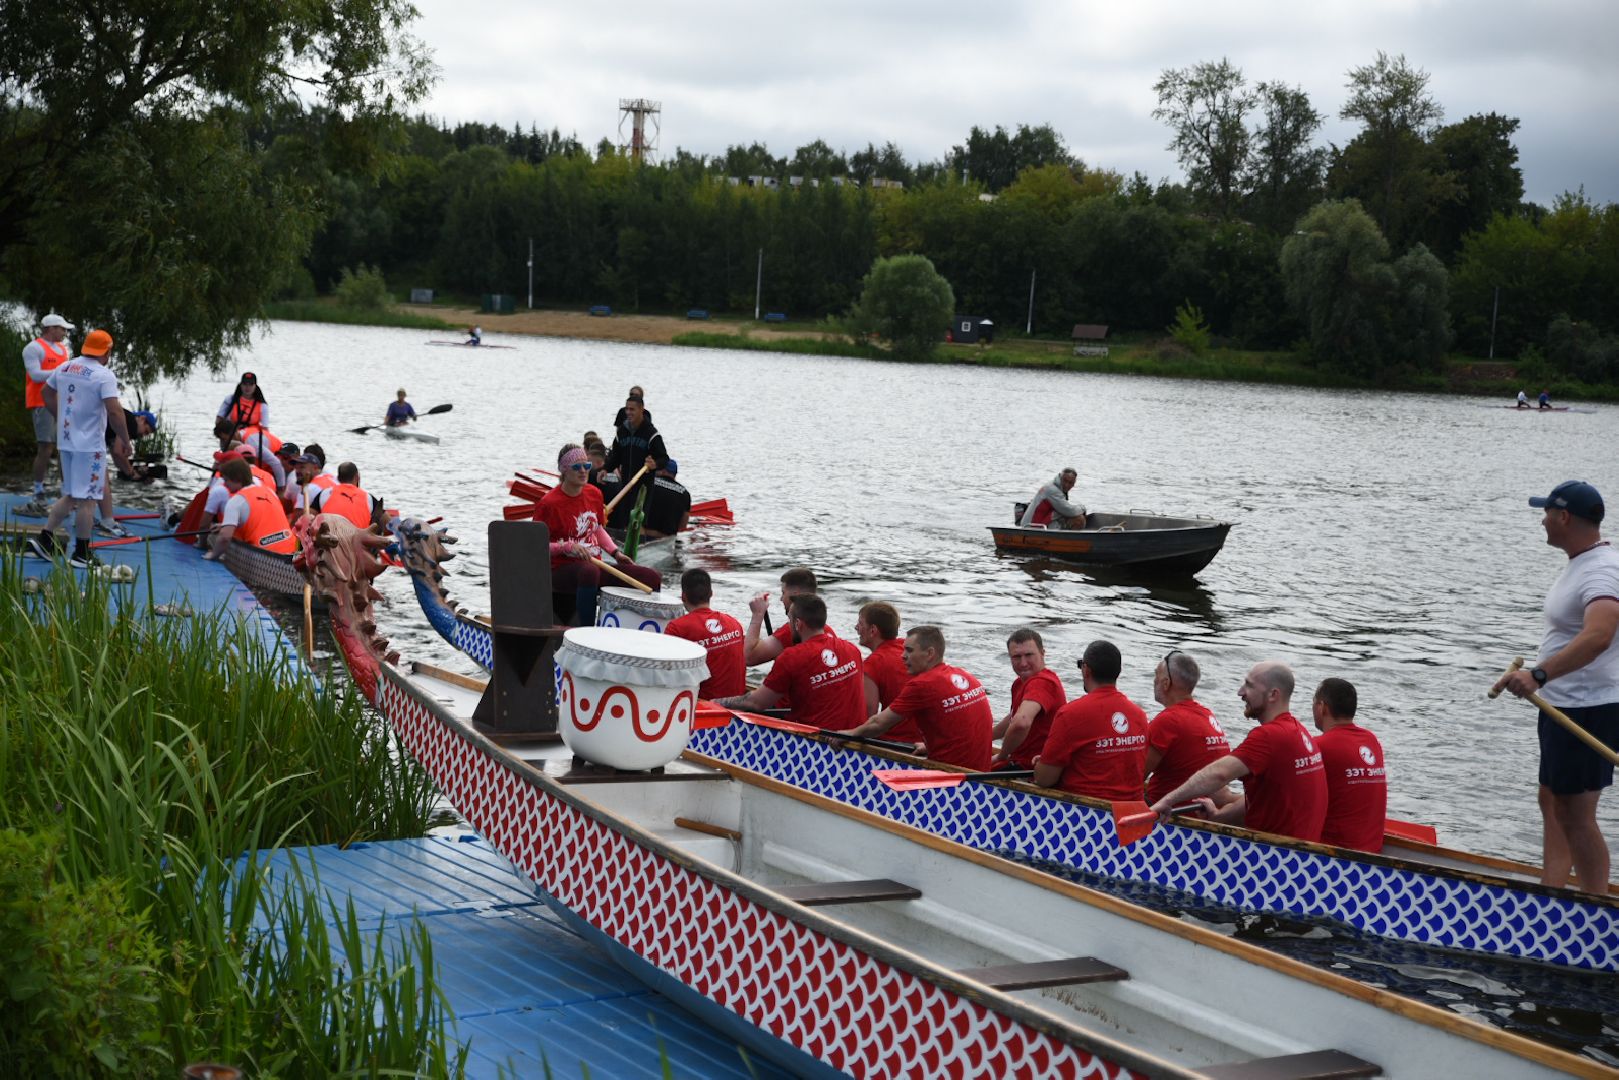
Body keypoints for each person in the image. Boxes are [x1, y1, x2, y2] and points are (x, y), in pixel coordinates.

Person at [1492, 480, 1619, 892]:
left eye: (1546, 512)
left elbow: (1600, 635)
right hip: (1563, 706)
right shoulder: (1582, 561)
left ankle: (1596, 910)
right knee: (1552, 800)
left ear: (1563, 517)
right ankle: (1552, 893)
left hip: (1588, 708)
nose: (1542, 521)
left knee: (1576, 814)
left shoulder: (1603, 570)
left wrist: (1539, 674)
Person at [1147, 662, 1328, 843]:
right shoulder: (1299, 731)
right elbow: (1255, 800)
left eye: (1249, 685)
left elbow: (1218, 774)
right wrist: (1219, 817)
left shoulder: (1269, 736)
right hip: (1299, 854)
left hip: (1275, 857)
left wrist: (1167, 801)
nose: (1240, 692)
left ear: (1273, 695)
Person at [27, 330, 130, 568]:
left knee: (73, 494)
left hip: (67, 441)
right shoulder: (104, 375)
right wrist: (125, 439)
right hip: (90, 446)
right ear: (107, 351)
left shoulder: (65, 367)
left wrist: (60, 414)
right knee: (88, 499)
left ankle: (45, 539)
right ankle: (82, 554)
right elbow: (114, 412)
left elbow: (45, 393)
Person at [533, 444, 660, 624]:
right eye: (577, 467)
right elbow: (535, 548)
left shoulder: (594, 493)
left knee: (651, 577)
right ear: (564, 471)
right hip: (561, 570)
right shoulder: (548, 504)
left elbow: (597, 529)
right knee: (589, 571)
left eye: (587, 466)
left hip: (594, 565)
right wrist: (567, 546)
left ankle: (648, 634)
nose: (583, 471)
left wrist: (616, 553)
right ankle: (587, 633)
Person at [842, 625, 994, 769]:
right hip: (982, 769)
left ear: (929, 653)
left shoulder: (923, 684)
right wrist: (928, 746)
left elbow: (878, 724)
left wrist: (851, 733)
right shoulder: (965, 675)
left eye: (909, 651)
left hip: (954, 779)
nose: (903, 656)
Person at [713, 595, 866, 731]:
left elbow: (756, 703)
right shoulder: (852, 649)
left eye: (789, 620)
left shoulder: (791, 657)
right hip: (852, 736)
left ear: (798, 624)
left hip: (813, 744)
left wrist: (717, 702)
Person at [1032, 640, 1148, 800]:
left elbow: (1044, 779)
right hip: (1131, 811)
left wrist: (1041, 765)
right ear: (1119, 672)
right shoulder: (1139, 715)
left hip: (1084, 813)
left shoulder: (1070, 713)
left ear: (1086, 670)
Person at [1144, 649, 1233, 807]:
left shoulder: (1167, 721)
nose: (1153, 680)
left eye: (1156, 674)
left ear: (1166, 683)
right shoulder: (1207, 716)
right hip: (1205, 809)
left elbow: (1136, 776)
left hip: (1167, 814)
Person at [1312, 678, 1387, 853]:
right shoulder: (1371, 740)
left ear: (1322, 707)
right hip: (1372, 850)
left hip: (1334, 856)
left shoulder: (1319, 746)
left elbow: (1289, 800)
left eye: (1313, 703)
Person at [18, 312, 74, 516]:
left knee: (64, 447)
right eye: (62, 329)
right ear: (50, 329)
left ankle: (66, 490)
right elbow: (35, 375)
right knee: (45, 447)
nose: (64, 333)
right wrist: (62, 372)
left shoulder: (62, 349)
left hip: (62, 403)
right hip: (41, 402)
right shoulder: (33, 348)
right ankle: (38, 489)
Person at [665, 569, 747, 699]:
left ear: (683, 597)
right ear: (711, 593)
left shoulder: (676, 628)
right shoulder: (733, 623)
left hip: (706, 708)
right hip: (738, 706)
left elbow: (667, 675)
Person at [992, 628, 1067, 769]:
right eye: (1016, 657)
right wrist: (985, 737)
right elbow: (1013, 718)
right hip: (1018, 760)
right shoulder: (1020, 682)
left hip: (1031, 768)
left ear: (1042, 654)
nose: (1023, 663)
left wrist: (1002, 755)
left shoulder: (1042, 682)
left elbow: (1021, 722)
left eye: (1029, 655)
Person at [203, 457, 296, 560]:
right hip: (291, 554)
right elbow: (259, 520)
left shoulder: (236, 501)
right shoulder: (270, 492)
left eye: (226, 480)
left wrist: (213, 556)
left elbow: (225, 538)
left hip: (264, 560)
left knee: (213, 538)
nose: (225, 485)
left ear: (237, 479)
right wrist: (224, 526)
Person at [855, 601, 920, 740]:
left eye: (860, 624)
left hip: (897, 741)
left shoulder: (872, 665)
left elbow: (867, 715)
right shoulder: (908, 647)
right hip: (924, 738)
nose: (856, 628)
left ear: (873, 631)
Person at [603, 394, 668, 524]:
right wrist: (605, 469)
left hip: (643, 486)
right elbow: (616, 456)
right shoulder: (621, 431)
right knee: (625, 518)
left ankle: (637, 539)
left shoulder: (652, 434)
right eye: (627, 409)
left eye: (632, 409)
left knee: (638, 519)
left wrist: (654, 464)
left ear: (641, 410)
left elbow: (664, 458)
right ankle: (622, 539)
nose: (628, 412)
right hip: (626, 483)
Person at [744, 566, 820, 666]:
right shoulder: (824, 628)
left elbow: (748, 658)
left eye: (783, 593)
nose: (781, 598)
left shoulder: (792, 631)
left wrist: (757, 615)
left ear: (795, 595)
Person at [310, 462, 385, 530]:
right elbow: (388, 522)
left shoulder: (324, 494)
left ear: (338, 478)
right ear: (357, 477)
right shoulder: (369, 498)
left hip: (330, 542)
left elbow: (309, 519)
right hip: (358, 543)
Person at [1018, 468, 1085, 528]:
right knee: (1079, 519)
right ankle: (1071, 541)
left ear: (1073, 485)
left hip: (1037, 521)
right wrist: (1082, 508)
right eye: (1065, 480)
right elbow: (1069, 511)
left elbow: (1064, 509)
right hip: (1033, 526)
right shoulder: (1053, 490)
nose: (1067, 485)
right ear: (1060, 477)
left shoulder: (1053, 485)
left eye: (1070, 483)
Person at [641, 459, 691, 539]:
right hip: (666, 540)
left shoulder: (648, 482)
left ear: (663, 471)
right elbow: (683, 526)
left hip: (643, 535)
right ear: (675, 474)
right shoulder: (685, 493)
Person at [215, 372, 267, 442]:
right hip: (231, 437)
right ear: (240, 385)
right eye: (245, 384)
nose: (247, 387)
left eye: (251, 384)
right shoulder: (230, 400)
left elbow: (265, 429)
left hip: (252, 439)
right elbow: (219, 420)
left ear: (255, 386)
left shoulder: (262, 405)